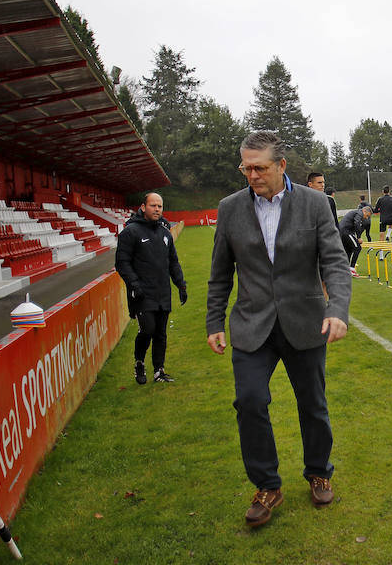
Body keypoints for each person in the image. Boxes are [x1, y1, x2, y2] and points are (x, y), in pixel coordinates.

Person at [206, 131, 351, 528]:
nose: (252, 175)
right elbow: (220, 273)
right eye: (246, 168)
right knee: (249, 403)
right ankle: (267, 485)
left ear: (281, 166)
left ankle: (319, 470)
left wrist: (338, 308)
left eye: (260, 168)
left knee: (313, 405)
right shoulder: (230, 208)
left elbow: (335, 262)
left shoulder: (315, 203)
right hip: (252, 325)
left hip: (305, 322)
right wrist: (213, 321)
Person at [115, 192, 187, 384]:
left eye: (160, 206)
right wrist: (134, 284)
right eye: (153, 206)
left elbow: (173, 261)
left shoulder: (165, 232)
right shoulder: (130, 232)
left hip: (163, 291)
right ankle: (139, 362)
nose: (157, 209)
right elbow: (122, 263)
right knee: (148, 330)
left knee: (161, 333)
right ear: (143, 207)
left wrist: (180, 284)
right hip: (142, 293)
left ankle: (159, 371)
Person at [338, 205, 372, 277]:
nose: (366, 217)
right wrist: (359, 237)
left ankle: (345, 269)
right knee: (358, 248)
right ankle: (352, 269)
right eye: (367, 215)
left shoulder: (356, 213)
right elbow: (356, 223)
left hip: (343, 231)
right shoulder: (359, 213)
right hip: (345, 231)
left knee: (349, 249)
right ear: (364, 211)